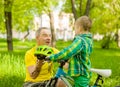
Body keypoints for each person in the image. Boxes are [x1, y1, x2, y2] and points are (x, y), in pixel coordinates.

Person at [46, 16, 93, 87]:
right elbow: (78, 54)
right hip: (82, 72)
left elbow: (68, 52)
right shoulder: (88, 40)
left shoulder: (80, 41)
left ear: (79, 28)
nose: (75, 30)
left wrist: (53, 57)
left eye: (75, 28)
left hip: (80, 74)